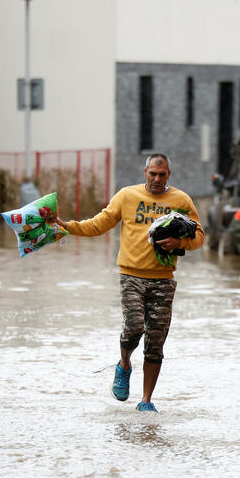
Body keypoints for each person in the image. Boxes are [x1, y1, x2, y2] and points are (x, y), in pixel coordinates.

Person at [50, 154, 204, 414]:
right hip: (131, 276)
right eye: (152, 174)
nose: (157, 179)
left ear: (169, 175)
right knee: (133, 327)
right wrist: (68, 227)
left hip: (163, 280)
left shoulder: (181, 200)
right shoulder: (127, 196)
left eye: (162, 174)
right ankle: (123, 365)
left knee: (156, 342)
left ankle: (146, 400)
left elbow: (199, 234)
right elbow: (99, 224)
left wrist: (181, 243)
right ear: (145, 172)